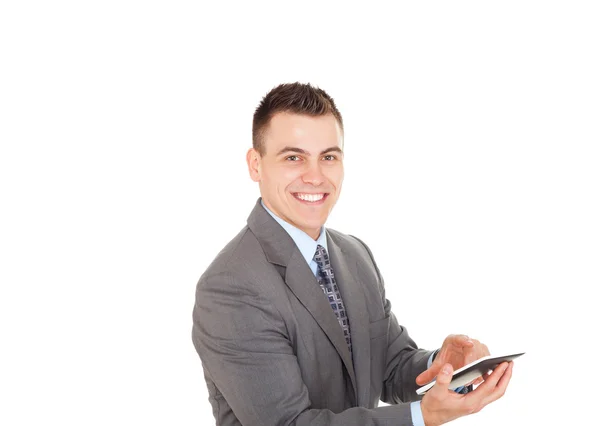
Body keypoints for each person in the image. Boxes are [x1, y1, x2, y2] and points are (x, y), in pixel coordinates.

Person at [191, 82, 513, 425]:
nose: (315, 176)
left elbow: (388, 369)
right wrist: (422, 417)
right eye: (293, 157)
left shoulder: (353, 255)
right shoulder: (231, 286)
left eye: (328, 157)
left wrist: (443, 365)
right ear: (256, 165)